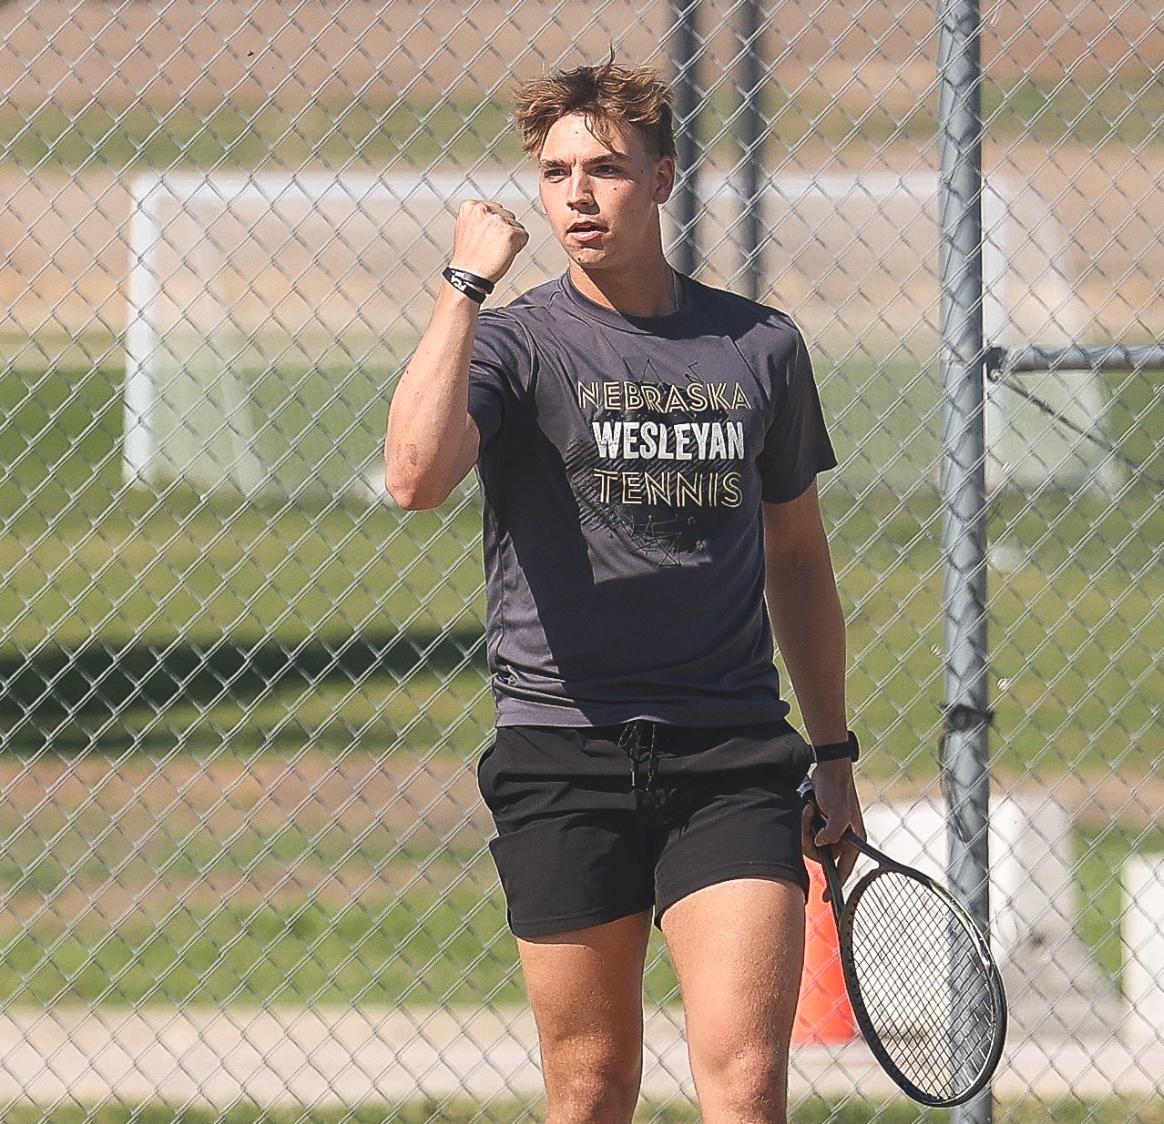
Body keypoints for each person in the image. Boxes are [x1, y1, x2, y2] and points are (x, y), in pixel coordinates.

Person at [383, 59, 863, 1124]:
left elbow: (797, 557)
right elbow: (413, 478)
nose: (577, 196)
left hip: (728, 754)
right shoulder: (515, 344)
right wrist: (463, 287)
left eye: (604, 168)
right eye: (556, 174)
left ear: (662, 177)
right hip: (564, 753)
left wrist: (832, 754)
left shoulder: (759, 346)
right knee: (593, 1087)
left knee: (747, 1080)